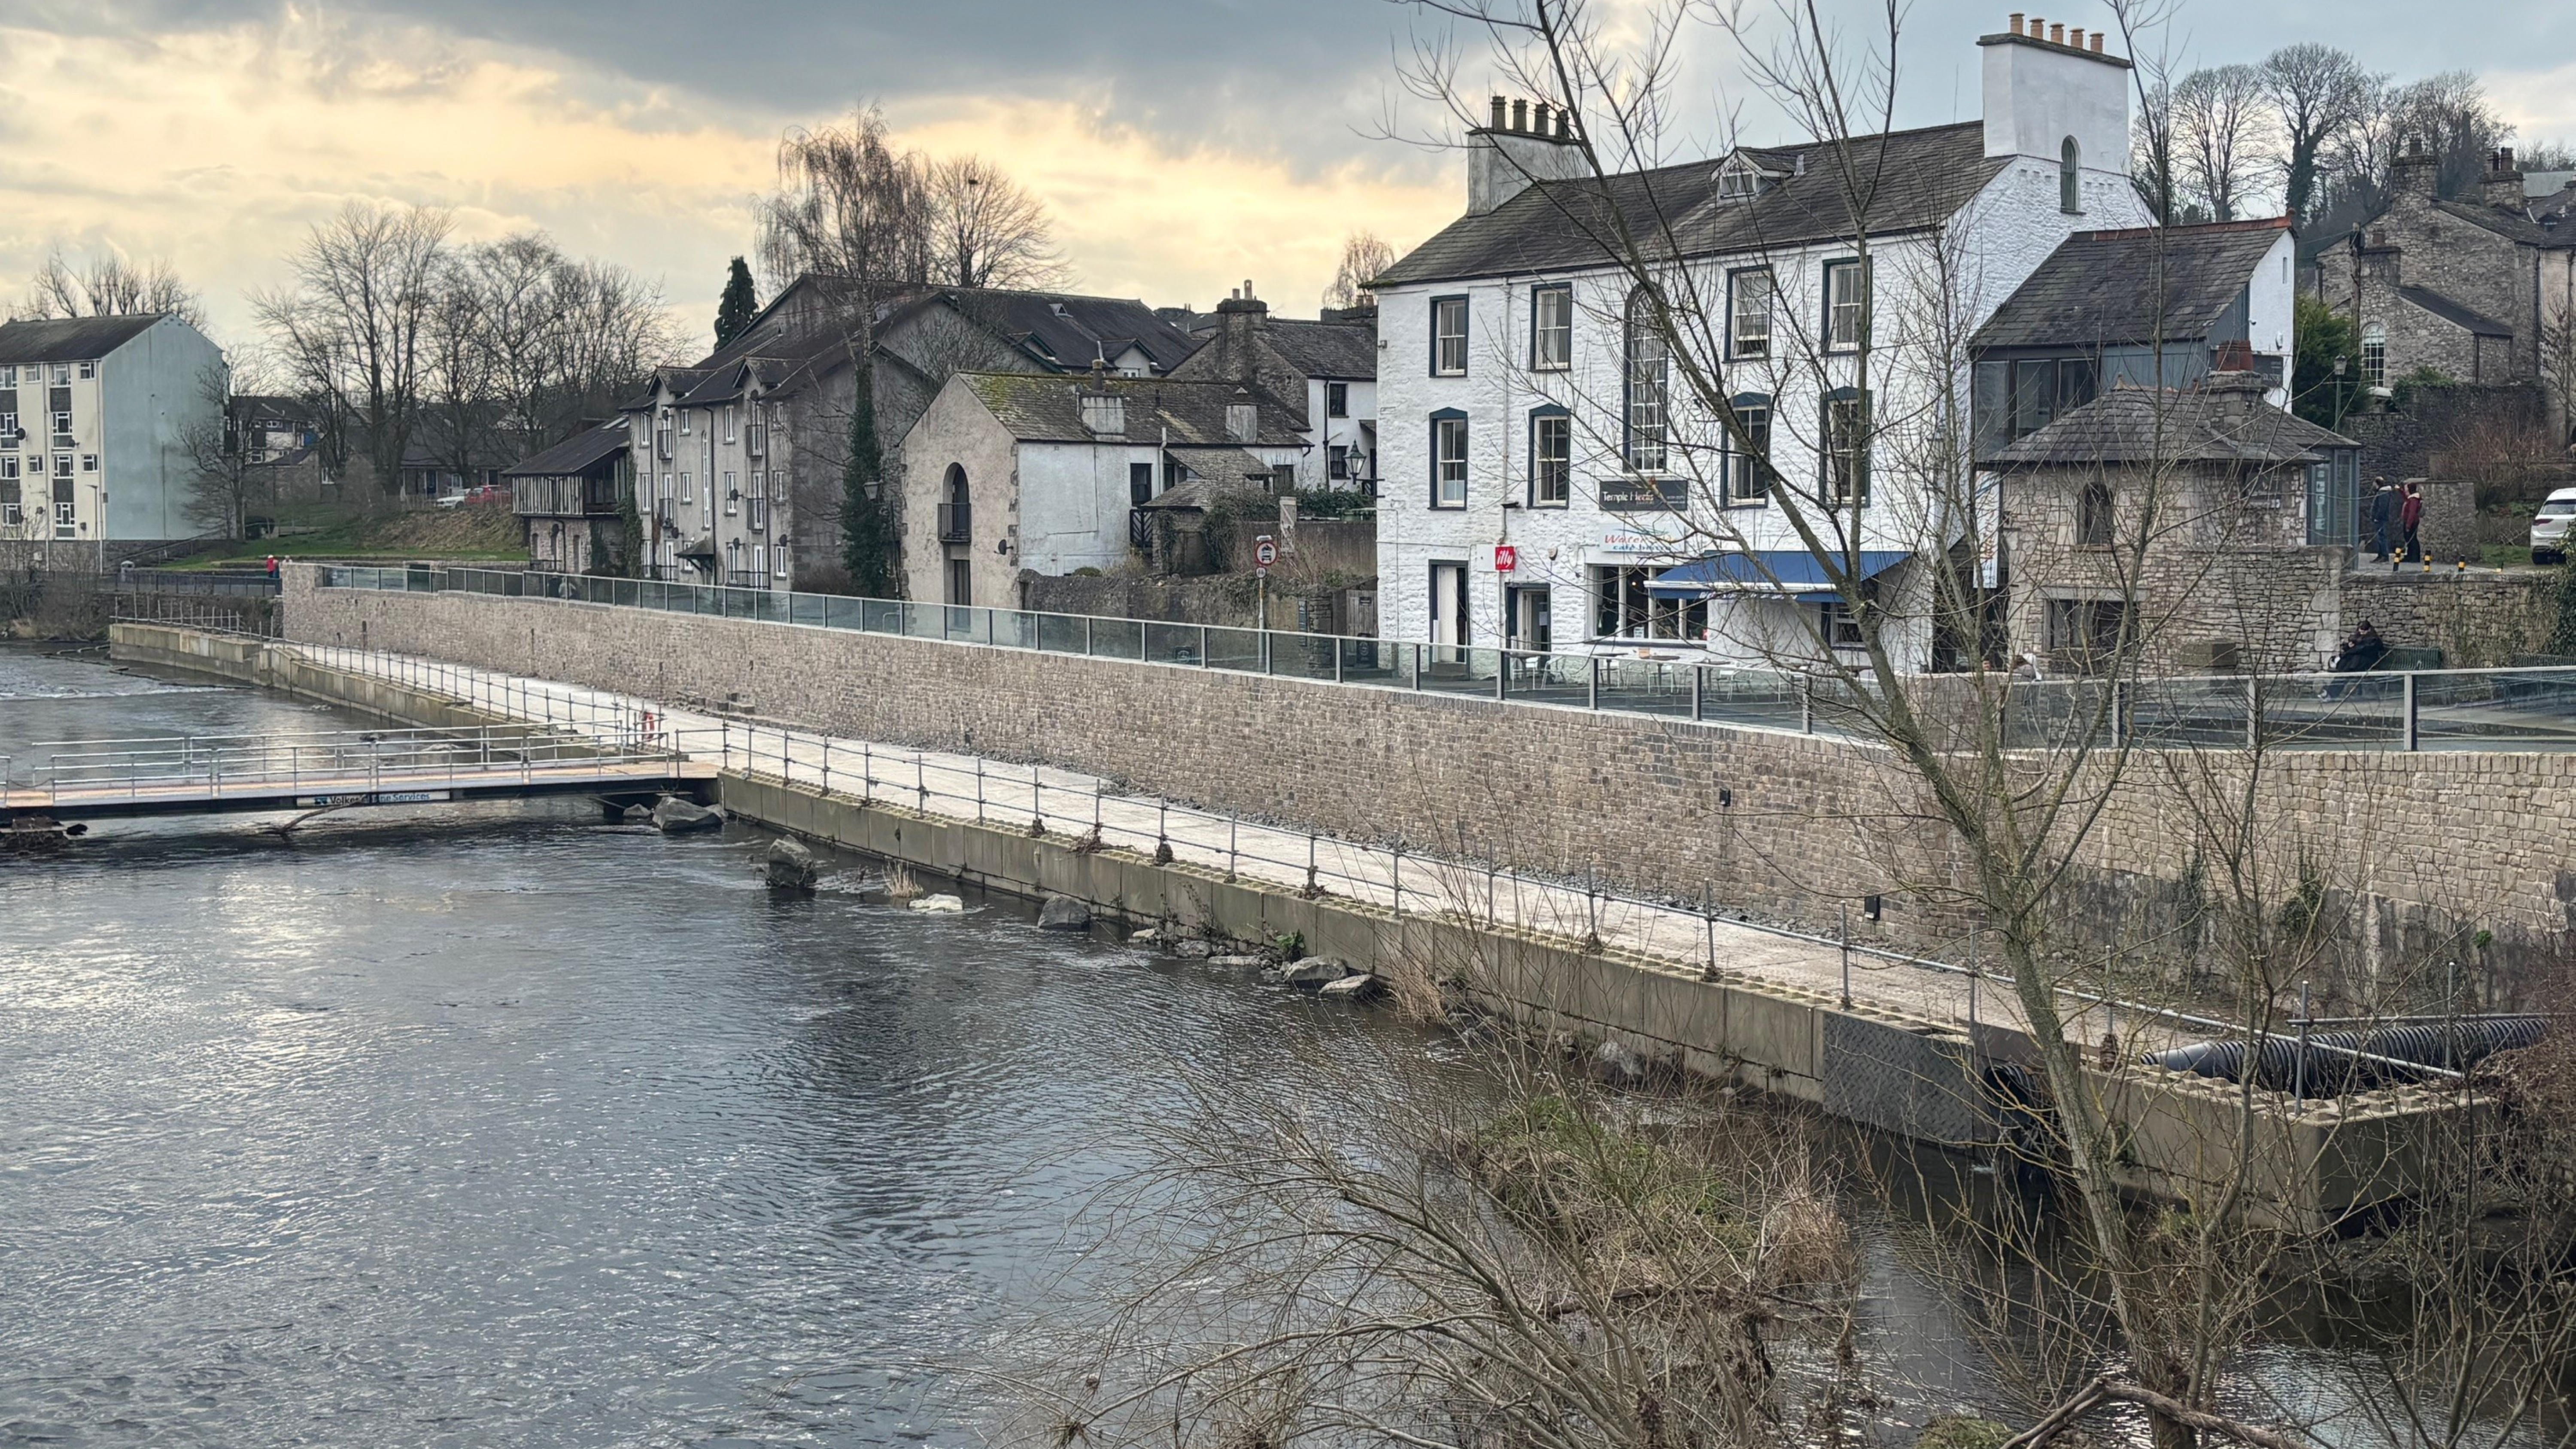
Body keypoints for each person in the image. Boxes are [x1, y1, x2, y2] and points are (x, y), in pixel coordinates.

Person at [2367, 477, 2397, 562]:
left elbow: (2382, 507)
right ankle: (2381, 555)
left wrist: (2377, 517)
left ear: (2377, 484)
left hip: (2380, 520)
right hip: (2379, 519)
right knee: (2379, 537)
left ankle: (2384, 555)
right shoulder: (2381, 493)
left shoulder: (2383, 493)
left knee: (2381, 537)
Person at [2399, 483, 2425, 568]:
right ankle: (2410, 555)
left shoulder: (2414, 500)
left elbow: (2412, 513)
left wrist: (2408, 525)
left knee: (2412, 539)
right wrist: (2400, 491)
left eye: (2407, 489)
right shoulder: (2411, 498)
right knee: (2409, 539)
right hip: (2409, 522)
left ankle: (2415, 557)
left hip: (2412, 522)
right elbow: (2406, 498)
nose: (2406, 491)